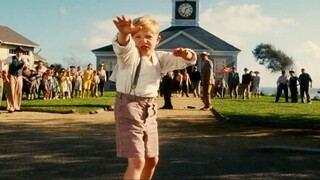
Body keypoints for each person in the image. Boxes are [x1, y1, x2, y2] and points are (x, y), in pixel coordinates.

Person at [112, 15, 197, 179]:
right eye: (137, 36)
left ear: (157, 39)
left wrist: (186, 54)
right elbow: (122, 46)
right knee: (137, 162)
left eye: (148, 37)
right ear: (132, 38)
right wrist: (123, 33)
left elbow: (184, 61)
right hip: (128, 107)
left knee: (152, 160)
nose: (143, 41)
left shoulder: (160, 58)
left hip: (150, 108)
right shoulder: (129, 56)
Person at [1, 46, 29, 113]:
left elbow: (27, 68)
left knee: (19, 91)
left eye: (20, 52)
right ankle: (11, 107)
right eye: (18, 52)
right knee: (11, 91)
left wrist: (25, 66)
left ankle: (17, 106)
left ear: (22, 53)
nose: (19, 53)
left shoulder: (24, 59)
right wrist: (3, 70)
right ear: (16, 52)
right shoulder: (11, 58)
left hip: (19, 76)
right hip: (11, 75)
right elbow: (3, 63)